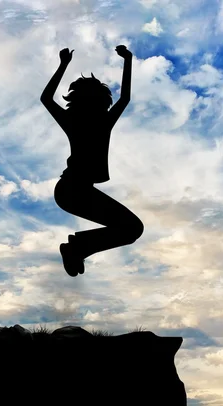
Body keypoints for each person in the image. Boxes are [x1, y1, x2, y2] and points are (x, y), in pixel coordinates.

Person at [40, 45, 144, 277]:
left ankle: (77, 248)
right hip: (72, 190)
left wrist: (63, 65)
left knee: (131, 229)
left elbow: (46, 98)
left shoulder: (79, 121)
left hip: (72, 191)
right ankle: (77, 247)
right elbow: (125, 97)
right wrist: (127, 60)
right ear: (100, 102)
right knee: (132, 228)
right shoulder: (97, 121)